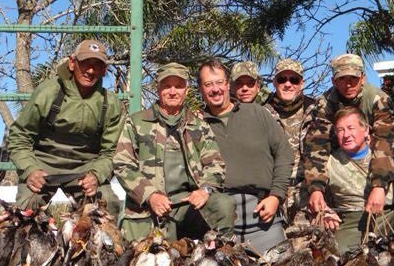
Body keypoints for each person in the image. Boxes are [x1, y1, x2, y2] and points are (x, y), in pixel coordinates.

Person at [114, 63, 234, 242]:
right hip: (148, 208)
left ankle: (221, 256)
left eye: (178, 86)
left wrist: (205, 190)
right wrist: (150, 195)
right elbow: (123, 163)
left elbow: (215, 164)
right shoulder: (137, 122)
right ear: (158, 89)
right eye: (166, 86)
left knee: (223, 204)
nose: (172, 91)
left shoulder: (199, 126)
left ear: (186, 90)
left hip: (187, 205)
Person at [7, 39, 123, 216]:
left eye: (97, 65)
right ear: (72, 63)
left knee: (107, 205)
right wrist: (30, 169)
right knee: (25, 210)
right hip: (43, 165)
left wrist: (96, 175)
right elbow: (19, 136)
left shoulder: (111, 103)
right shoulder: (48, 92)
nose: (90, 71)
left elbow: (111, 152)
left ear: (104, 70)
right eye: (85, 63)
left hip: (85, 169)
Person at [198, 58, 293, 254]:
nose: (215, 89)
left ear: (227, 85)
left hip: (263, 219)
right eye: (208, 84)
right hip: (217, 222)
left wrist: (276, 195)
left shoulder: (258, 114)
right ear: (200, 88)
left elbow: (284, 153)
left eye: (219, 83)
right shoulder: (195, 124)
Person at [304, 53, 394, 219]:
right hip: (341, 164)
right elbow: (317, 145)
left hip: (374, 160)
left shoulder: (379, 99)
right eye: (342, 79)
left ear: (362, 78)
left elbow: (386, 142)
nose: (348, 84)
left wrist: (379, 185)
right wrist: (316, 188)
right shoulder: (324, 103)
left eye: (353, 79)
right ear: (333, 81)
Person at [308, 106, 394, 255]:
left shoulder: (385, 156)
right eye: (340, 130)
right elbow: (319, 200)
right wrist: (326, 213)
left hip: (389, 213)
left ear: (366, 130)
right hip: (354, 221)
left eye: (351, 128)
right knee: (335, 252)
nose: (346, 135)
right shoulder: (328, 163)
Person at [263, 59, 316, 221]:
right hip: (272, 194)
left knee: (306, 244)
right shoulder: (262, 112)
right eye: (282, 79)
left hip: (307, 194)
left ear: (302, 83)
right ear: (274, 82)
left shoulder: (317, 110)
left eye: (294, 80)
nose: (288, 84)